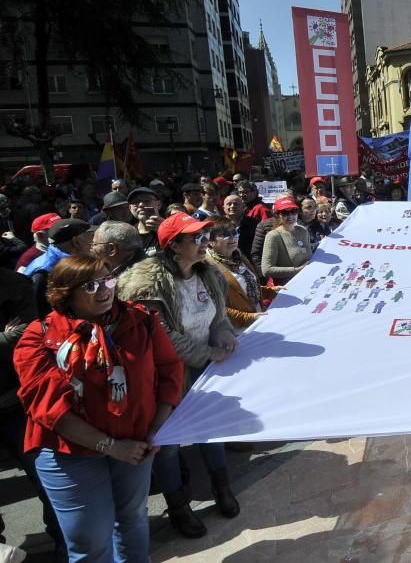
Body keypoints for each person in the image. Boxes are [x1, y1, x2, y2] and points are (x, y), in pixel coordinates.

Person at [14, 255, 184, 561]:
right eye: (90, 285)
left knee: (132, 518)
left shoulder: (140, 319)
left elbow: (170, 370)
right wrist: (112, 446)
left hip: (137, 443)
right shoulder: (39, 338)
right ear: (65, 293)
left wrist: (157, 429)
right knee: (90, 543)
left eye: (108, 279)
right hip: (71, 454)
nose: (104, 290)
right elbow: (52, 410)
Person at [116, 213, 241, 539]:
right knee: (167, 444)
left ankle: (222, 488)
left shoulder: (207, 273)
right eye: (195, 238)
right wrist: (207, 354)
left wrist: (224, 332)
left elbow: (218, 315)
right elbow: (162, 335)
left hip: (203, 369)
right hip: (163, 376)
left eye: (204, 237)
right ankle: (179, 508)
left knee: (210, 431)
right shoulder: (146, 284)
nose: (203, 243)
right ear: (173, 245)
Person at [0, 266, 63, 560]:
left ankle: (66, 542)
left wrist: (10, 338)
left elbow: (27, 337)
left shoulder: (13, 282)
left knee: (48, 476)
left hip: (17, 401)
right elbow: (10, 339)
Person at [205, 217, 269, 331]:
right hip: (236, 331)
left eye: (235, 232)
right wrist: (247, 317)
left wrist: (270, 291)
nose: (232, 237)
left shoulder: (238, 255)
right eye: (225, 234)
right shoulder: (207, 267)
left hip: (258, 321)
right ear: (209, 241)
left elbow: (243, 288)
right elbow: (213, 307)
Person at [24, 219, 95, 317]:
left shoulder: (59, 262)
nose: (94, 241)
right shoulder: (45, 271)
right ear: (76, 241)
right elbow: (37, 314)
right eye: (90, 235)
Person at [261, 197, 312, 286]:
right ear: (277, 215)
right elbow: (266, 270)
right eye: (285, 213)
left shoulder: (303, 230)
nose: (290, 216)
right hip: (288, 287)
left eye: (293, 211)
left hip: (308, 282)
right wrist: (296, 270)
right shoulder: (273, 236)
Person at [127, 187, 164, 257]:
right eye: (136, 202)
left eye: (147, 200)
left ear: (159, 204)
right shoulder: (129, 234)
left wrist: (166, 230)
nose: (141, 205)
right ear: (130, 208)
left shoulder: (173, 227)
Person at [223, 193, 258, 259]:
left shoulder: (254, 223)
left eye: (236, 204)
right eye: (229, 204)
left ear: (243, 207)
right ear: (224, 208)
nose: (232, 206)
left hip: (249, 262)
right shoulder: (217, 224)